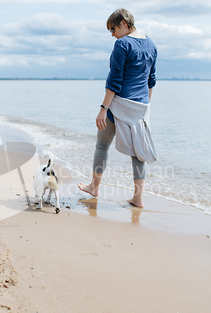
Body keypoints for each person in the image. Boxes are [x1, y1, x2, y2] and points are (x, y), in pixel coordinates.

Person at [78, 8, 157, 208]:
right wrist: (145, 107)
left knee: (102, 146)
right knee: (138, 153)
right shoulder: (151, 44)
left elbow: (114, 79)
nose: (112, 34)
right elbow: (151, 80)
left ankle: (94, 188)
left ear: (123, 22)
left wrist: (104, 108)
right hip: (140, 107)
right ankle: (138, 198)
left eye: (112, 29)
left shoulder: (122, 44)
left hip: (119, 105)